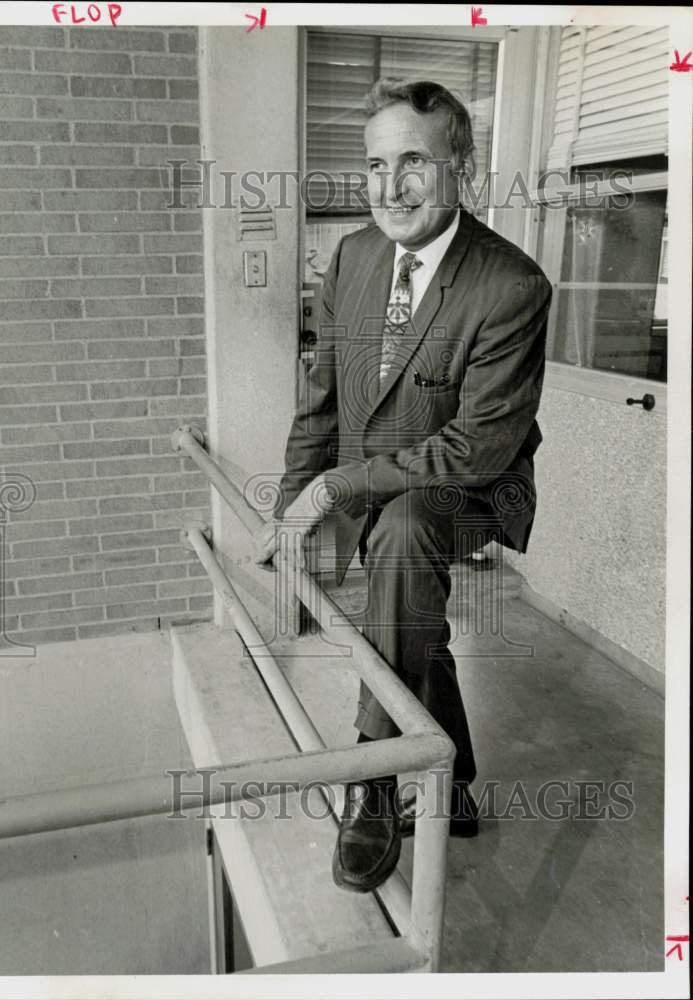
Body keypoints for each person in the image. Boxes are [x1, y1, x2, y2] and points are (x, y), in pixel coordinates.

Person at [254, 78, 552, 893]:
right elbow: (323, 397)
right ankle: (450, 786)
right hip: (383, 485)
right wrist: (291, 508)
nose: (389, 188)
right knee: (406, 601)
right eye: (375, 165)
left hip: (474, 486)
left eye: (413, 162)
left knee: (403, 532)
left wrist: (335, 490)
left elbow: (473, 449)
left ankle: (375, 778)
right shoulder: (352, 257)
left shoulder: (510, 286)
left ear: (462, 167)